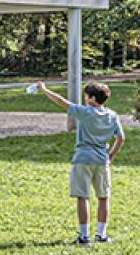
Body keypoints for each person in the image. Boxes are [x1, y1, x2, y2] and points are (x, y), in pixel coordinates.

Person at [36, 79, 126, 244]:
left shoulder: (85, 113)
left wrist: (44, 90)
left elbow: (62, 102)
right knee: (103, 197)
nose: (85, 99)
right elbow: (121, 138)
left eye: (86, 96)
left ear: (91, 98)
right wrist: (111, 156)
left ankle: (84, 236)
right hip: (101, 160)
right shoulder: (112, 115)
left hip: (83, 158)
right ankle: (102, 234)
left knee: (83, 197)